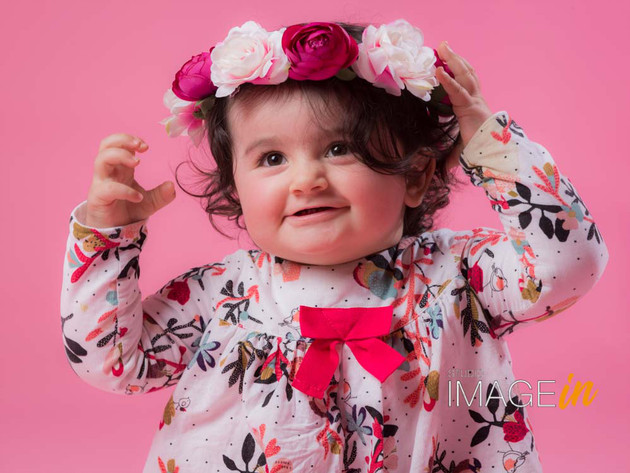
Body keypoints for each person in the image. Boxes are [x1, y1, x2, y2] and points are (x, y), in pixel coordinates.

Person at [60, 19, 608, 472]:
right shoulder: (221, 295)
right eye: (271, 159)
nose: (306, 181)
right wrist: (108, 238)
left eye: (339, 148)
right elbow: (114, 362)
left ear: (416, 174)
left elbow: (571, 264)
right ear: (236, 190)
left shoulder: (459, 275)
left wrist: (494, 146)